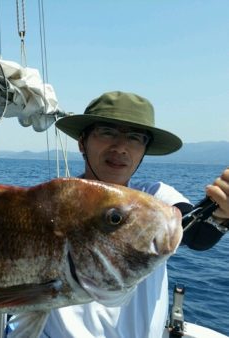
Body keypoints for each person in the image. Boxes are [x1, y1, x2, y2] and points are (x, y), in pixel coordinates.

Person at [38, 91, 229, 338]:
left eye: (135, 138)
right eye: (107, 132)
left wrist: (222, 211)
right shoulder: (53, 203)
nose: (121, 147)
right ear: (82, 142)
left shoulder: (155, 197)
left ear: (144, 150)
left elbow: (198, 236)